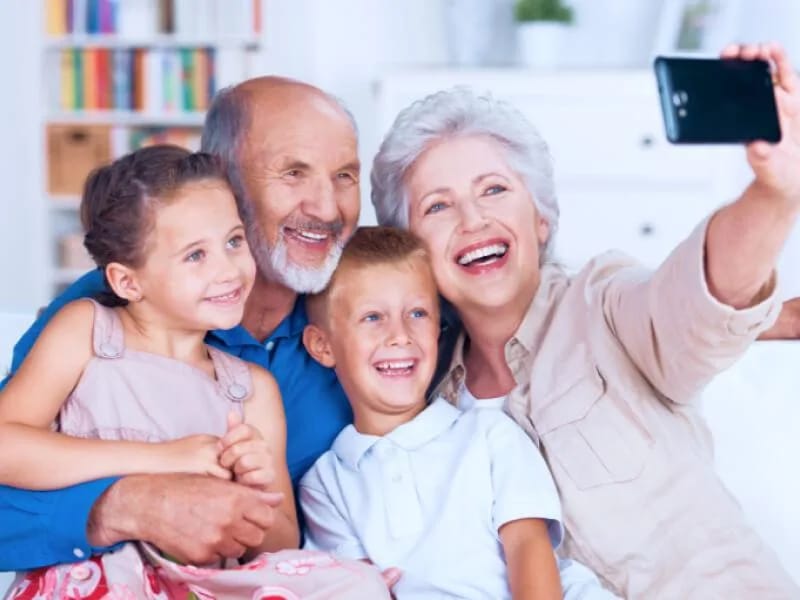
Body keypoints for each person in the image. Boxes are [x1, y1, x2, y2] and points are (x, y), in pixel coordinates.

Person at [370, 43, 800, 598]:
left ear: (541, 218)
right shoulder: (419, 392)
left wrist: (774, 194)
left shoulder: (602, 303)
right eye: (437, 206)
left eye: (494, 190)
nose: (473, 218)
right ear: (411, 249)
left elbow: (697, 301)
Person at [0, 77, 366, 569]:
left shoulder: (366, 318)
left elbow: (283, 540)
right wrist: (125, 505)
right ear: (226, 180)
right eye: (294, 173)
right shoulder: (103, 314)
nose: (326, 207)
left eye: (345, 175)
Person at [299, 226, 618, 600]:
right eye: (373, 317)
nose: (400, 335)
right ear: (322, 346)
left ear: (438, 329)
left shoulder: (488, 434)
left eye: (417, 313)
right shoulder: (326, 484)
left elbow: (529, 551)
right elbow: (361, 590)